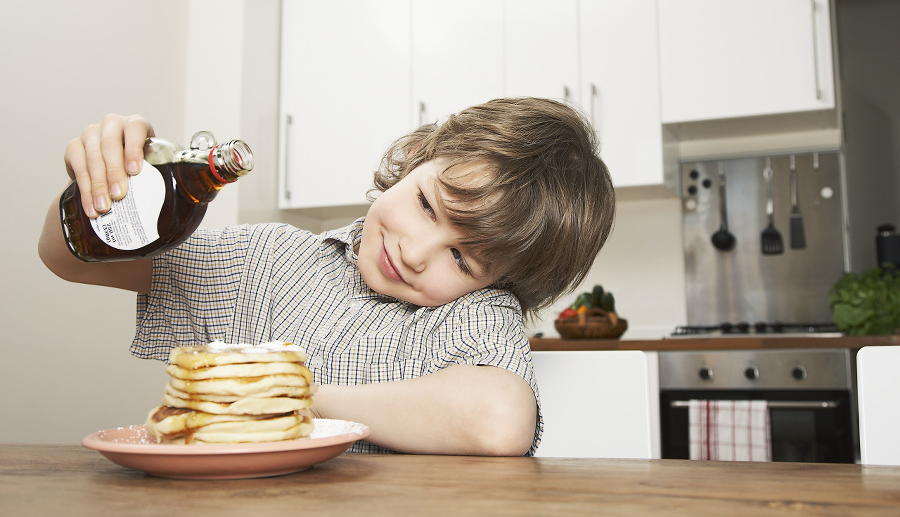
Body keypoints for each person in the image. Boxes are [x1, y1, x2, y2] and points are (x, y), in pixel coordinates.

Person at [39, 97, 616, 456]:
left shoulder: (471, 314)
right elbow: (64, 258)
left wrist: (284, 396)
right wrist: (100, 185)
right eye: (426, 206)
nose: (417, 252)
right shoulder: (267, 261)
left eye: (463, 259)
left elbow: (499, 421)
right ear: (414, 157)